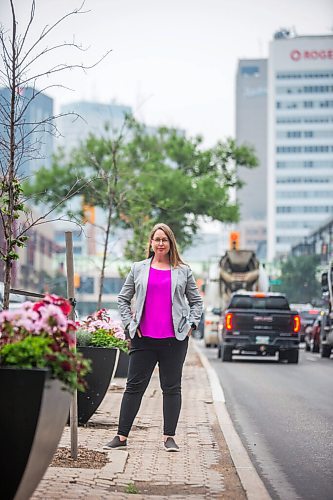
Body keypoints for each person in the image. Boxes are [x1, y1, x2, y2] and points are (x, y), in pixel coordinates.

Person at [103, 222, 203, 452]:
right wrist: (129, 324)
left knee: (171, 387)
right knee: (134, 387)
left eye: (164, 240)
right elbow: (123, 298)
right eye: (156, 239)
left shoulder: (183, 270)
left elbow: (196, 302)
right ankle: (121, 436)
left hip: (174, 340)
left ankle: (169, 437)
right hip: (143, 338)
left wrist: (190, 325)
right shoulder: (138, 268)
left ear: (170, 243)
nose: (160, 243)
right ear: (151, 242)